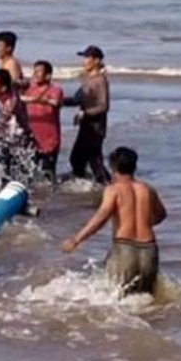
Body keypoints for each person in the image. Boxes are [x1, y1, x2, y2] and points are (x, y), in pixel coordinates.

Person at [61, 146, 166, 295]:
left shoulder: (113, 190)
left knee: (118, 302)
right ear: (134, 167)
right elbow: (161, 215)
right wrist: (142, 222)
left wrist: (76, 239)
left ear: (113, 167)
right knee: (145, 300)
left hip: (124, 249)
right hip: (149, 250)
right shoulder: (147, 189)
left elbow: (101, 217)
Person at [68, 45, 111, 184]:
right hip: (87, 126)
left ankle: (101, 186)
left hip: (96, 128)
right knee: (87, 159)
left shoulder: (100, 81)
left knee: (85, 159)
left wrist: (84, 113)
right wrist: (56, 101)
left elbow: (104, 106)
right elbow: (77, 99)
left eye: (87, 58)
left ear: (97, 61)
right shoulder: (88, 79)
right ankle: (96, 184)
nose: (84, 61)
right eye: (84, 58)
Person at [19, 60, 64, 181]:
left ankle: (51, 198)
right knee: (26, 173)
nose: (35, 74)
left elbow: (55, 102)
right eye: (34, 71)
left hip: (49, 140)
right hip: (31, 138)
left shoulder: (55, 90)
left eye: (39, 72)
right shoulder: (29, 89)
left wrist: (34, 99)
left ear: (48, 75)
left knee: (48, 174)